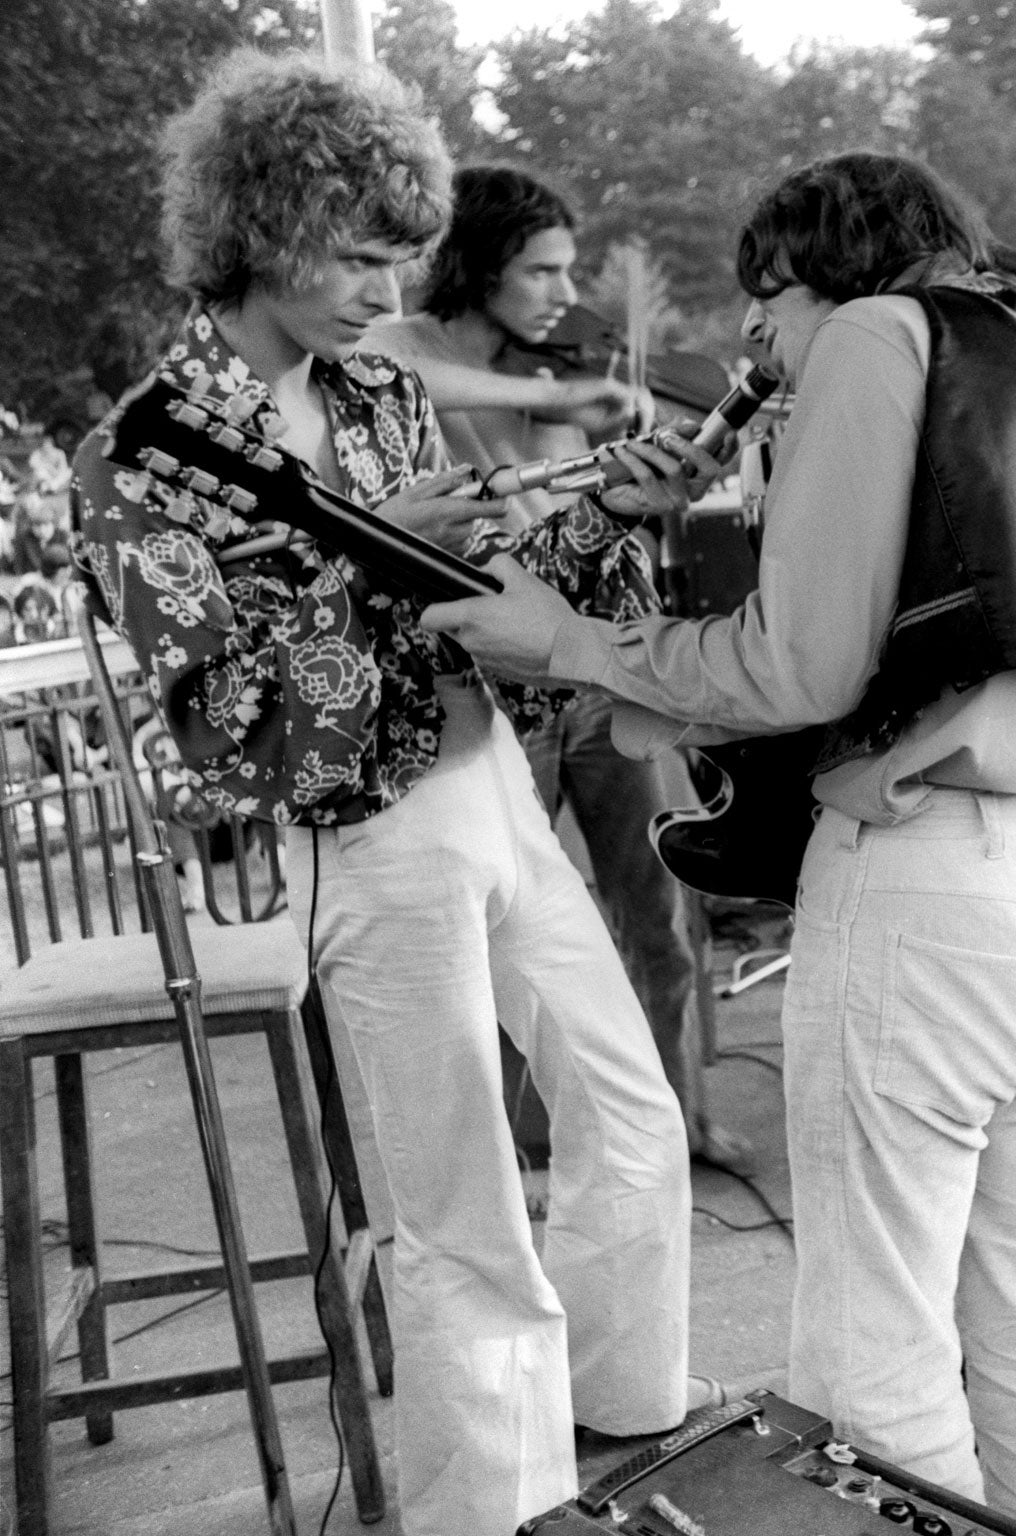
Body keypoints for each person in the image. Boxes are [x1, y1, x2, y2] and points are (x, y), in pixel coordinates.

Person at [425, 152, 1016, 1536]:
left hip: (927, 883)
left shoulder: (883, 336)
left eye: (769, 293)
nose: (752, 336)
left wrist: (569, 638)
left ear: (853, 267)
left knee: (875, 1356)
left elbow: (807, 667)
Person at [69, 51, 699, 1536]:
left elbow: (468, 597)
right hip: (360, 837)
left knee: (635, 1118)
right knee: (463, 1215)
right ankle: (497, 1507)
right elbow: (224, 728)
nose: (378, 289)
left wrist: (601, 513)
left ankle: (626, 1438)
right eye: (355, 255)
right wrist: (365, 556)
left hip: (496, 795)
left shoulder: (377, 393)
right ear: (259, 223)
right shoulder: (141, 459)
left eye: (397, 259)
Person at [366, 164, 751, 1174]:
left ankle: (674, 1124)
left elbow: (587, 517)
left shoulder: (557, 381)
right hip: (490, 686)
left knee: (660, 909)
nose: (559, 296)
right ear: (480, 267)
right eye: (539, 272)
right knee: (506, 932)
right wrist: (566, 390)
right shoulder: (404, 348)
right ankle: (526, 1141)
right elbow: (399, 371)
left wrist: (641, 458)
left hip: (593, 665)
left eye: (568, 273)